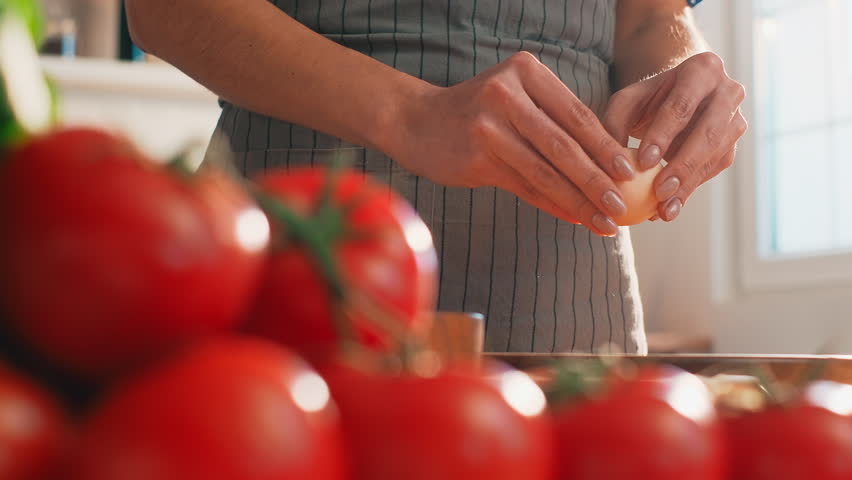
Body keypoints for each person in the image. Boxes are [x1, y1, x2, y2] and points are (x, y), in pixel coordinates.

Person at [125, 0, 746, 354]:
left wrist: (680, 70)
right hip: (300, 271)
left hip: (573, 301)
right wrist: (408, 114)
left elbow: (644, 16)